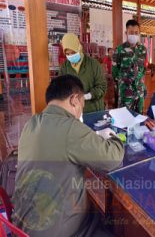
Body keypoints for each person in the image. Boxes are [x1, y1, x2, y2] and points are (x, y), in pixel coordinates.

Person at [12, 75, 124, 237]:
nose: (80, 112)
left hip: (23, 227)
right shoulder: (70, 127)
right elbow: (113, 159)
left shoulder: (31, 124)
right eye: (82, 106)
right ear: (75, 100)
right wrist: (114, 138)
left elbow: (60, 145)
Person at [60, 33, 107, 113]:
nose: (71, 56)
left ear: (79, 48)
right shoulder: (65, 67)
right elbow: (61, 87)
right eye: (68, 54)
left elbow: (102, 87)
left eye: (73, 52)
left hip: (93, 110)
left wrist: (88, 96)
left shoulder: (93, 64)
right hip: (74, 111)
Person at [112, 19, 147, 114]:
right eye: (131, 32)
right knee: (124, 120)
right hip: (125, 93)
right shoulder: (119, 50)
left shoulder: (143, 50)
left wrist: (141, 86)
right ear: (126, 33)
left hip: (139, 93)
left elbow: (143, 69)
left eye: (136, 33)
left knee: (139, 119)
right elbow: (115, 72)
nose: (134, 35)